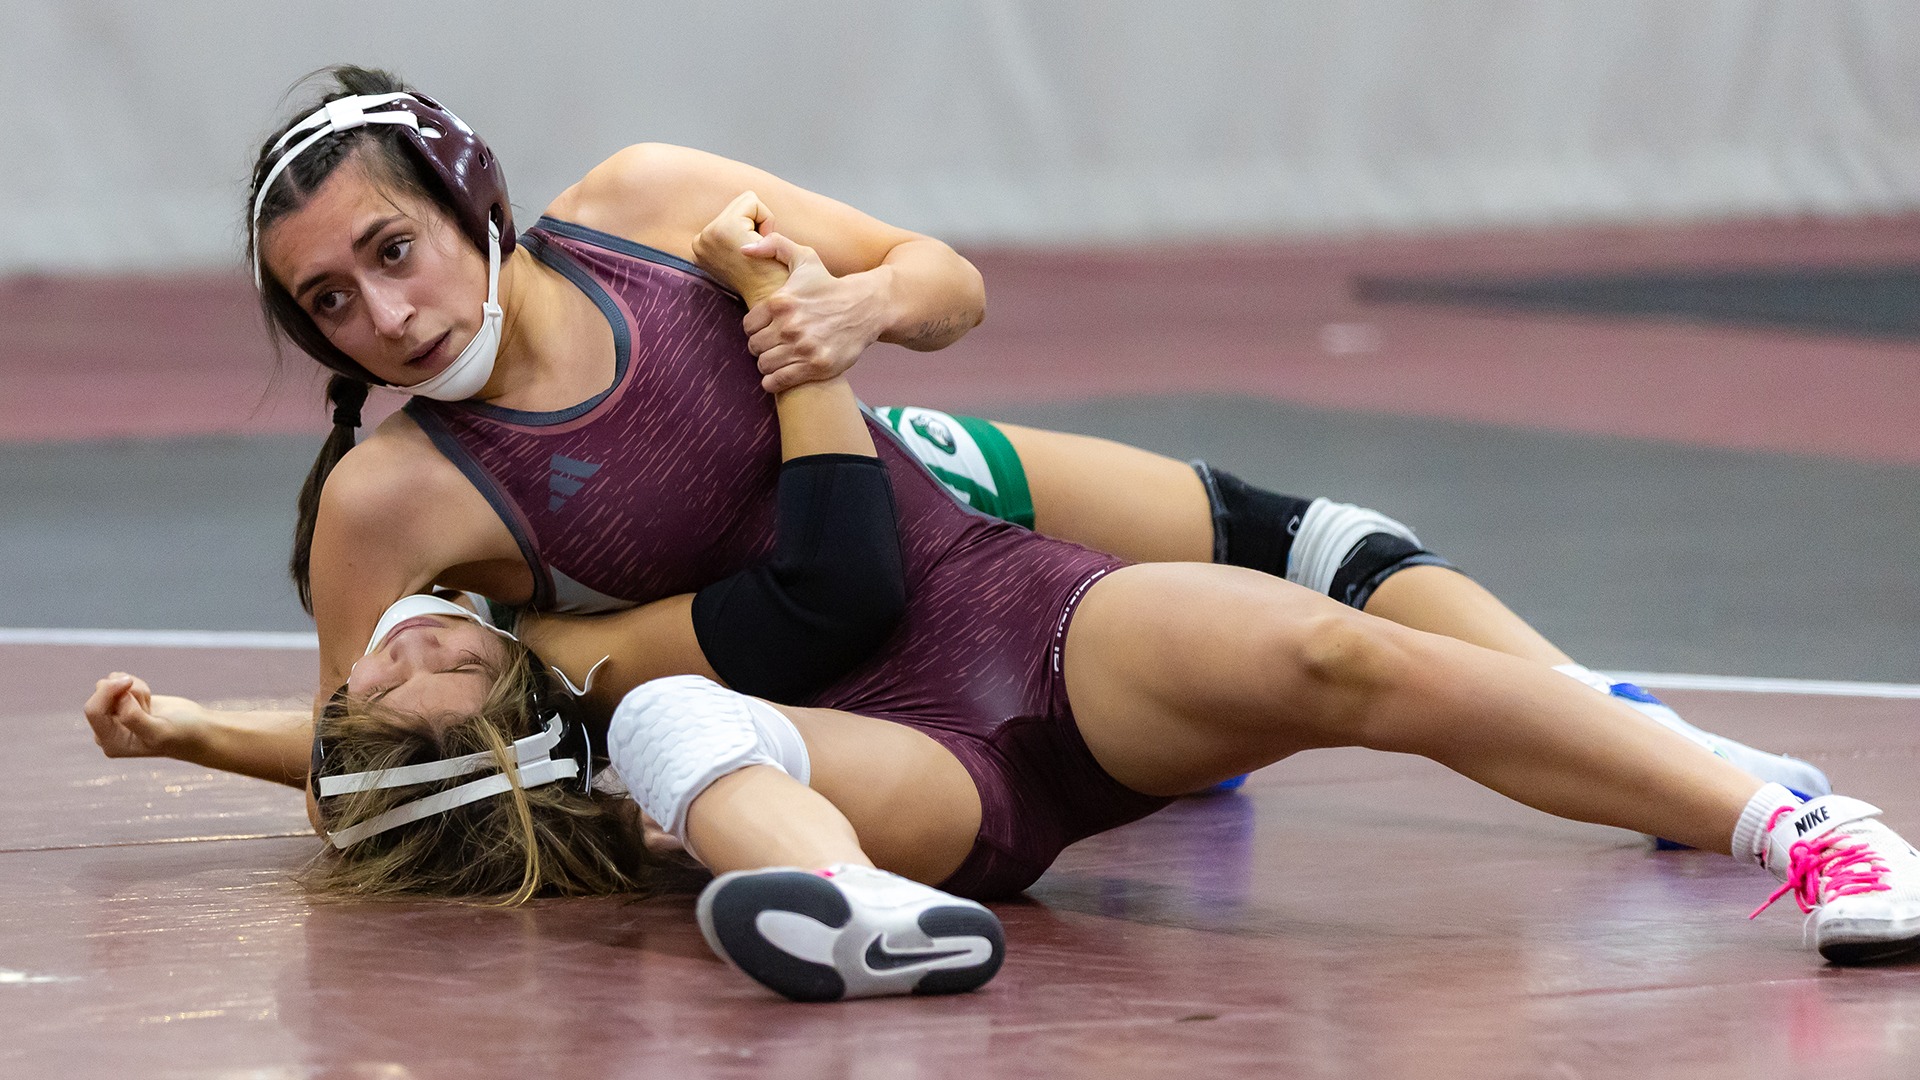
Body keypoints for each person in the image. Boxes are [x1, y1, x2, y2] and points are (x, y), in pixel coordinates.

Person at [90, 68, 1918, 1002]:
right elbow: (384, 759)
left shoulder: (645, 212)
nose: (380, 316)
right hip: (867, 743)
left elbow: (948, 279)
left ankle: (1795, 822)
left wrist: (849, 317)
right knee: (660, 723)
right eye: (326, 304)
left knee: (1336, 644)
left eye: (388, 252)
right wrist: (205, 734)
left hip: (986, 589)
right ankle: (855, 916)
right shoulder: (392, 499)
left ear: (463, 195)